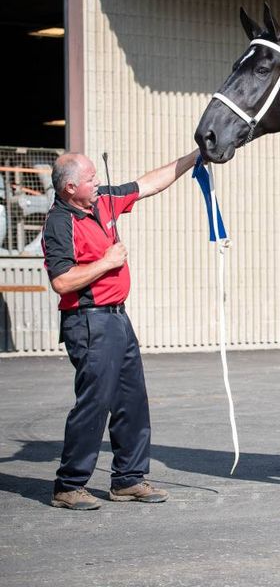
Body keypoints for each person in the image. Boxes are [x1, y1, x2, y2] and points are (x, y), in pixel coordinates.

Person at [42, 150, 197, 510]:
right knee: (94, 403)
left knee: (132, 400)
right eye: (91, 179)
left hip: (118, 318)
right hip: (89, 321)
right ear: (70, 188)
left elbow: (148, 183)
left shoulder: (104, 201)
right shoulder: (59, 222)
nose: (98, 182)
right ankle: (69, 485)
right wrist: (106, 262)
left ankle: (128, 478)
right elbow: (62, 281)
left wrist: (194, 158)